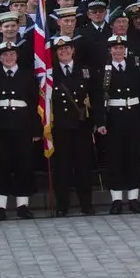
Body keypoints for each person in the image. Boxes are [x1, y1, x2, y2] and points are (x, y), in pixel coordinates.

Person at [0, 41, 39, 219]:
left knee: (23, 164)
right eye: (5, 55)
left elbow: (35, 103)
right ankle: (1, 206)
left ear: (17, 56)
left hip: (22, 124)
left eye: (12, 54)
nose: (8, 57)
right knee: (0, 164)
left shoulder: (27, 75)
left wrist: (36, 129)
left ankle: (22, 205)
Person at [94, 35, 140, 214]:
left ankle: (133, 198)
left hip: (133, 117)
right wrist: (100, 122)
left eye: (121, 48)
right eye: (115, 48)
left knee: (132, 158)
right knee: (115, 160)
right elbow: (98, 99)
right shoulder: (103, 72)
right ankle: (116, 199)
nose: (118, 51)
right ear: (110, 50)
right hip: (114, 119)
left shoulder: (135, 68)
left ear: (125, 50)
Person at [49, 35, 97, 216]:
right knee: (62, 167)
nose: (64, 51)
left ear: (73, 50)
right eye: (60, 49)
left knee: (83, 166)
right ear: (56, 53)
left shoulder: (85, 70)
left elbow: (96, 96)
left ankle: (86, 204)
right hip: (59, 126)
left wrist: (97, 121)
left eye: (67, 48)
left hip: (81, 125)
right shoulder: (49, 73)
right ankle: (63, 205)